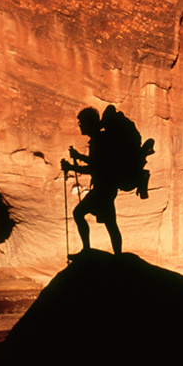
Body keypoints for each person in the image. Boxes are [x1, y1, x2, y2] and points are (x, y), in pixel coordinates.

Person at [67, 106, 123, 255]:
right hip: (107, 188)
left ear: (88, 123)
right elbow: (96, 163)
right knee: (110, 223)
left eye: (82, 123)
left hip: (102, 189)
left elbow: (94, 168)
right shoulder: (100, 139)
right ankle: (118, 256)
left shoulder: (99, 141)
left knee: (79, 213)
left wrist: (71, 167)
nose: (80, 126)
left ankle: (87, 250)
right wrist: (79, 157)